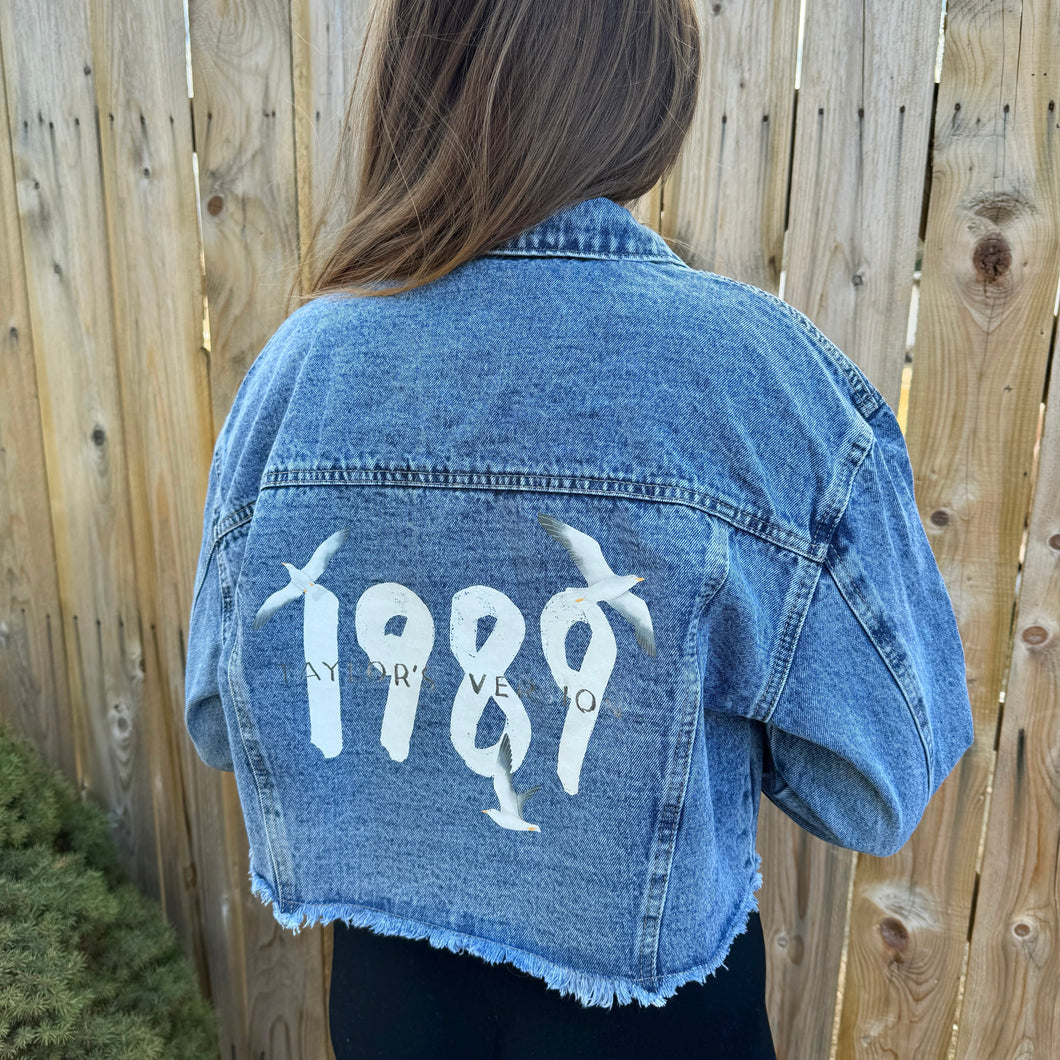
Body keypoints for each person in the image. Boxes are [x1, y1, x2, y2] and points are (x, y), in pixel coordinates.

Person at [184, 1, 975, 1057]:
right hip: (656, 1020)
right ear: (648, 93)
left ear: (415, 83)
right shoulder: (758, 382)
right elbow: (876, 780)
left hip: (393, 1015)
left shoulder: (299, 368)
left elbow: (225, 718)